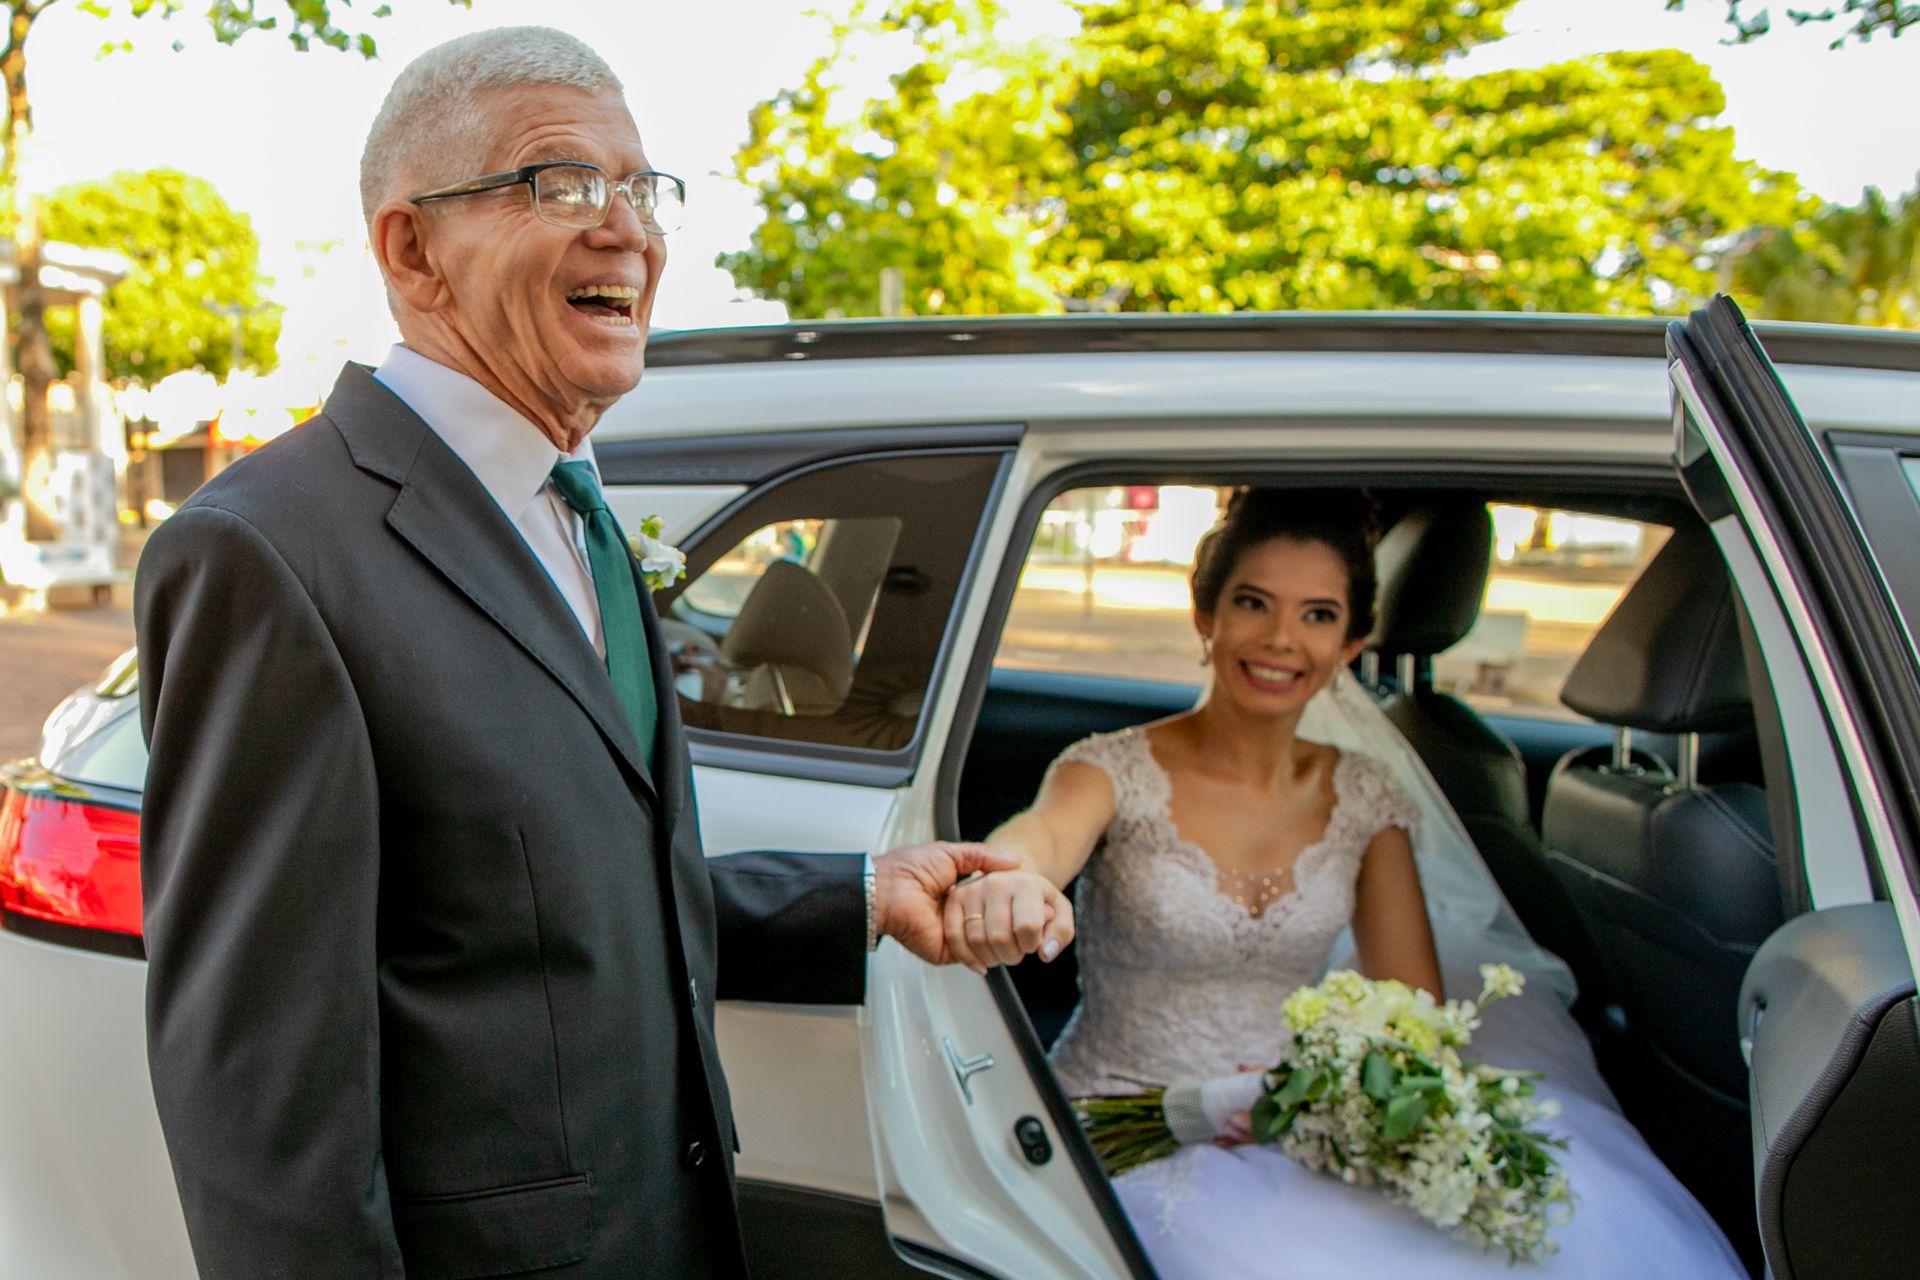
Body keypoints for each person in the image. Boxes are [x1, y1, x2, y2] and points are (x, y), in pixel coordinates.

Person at [133, 27, 1070, 1280]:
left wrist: (856, 897)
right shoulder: (268, 552)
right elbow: (261, 1102)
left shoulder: (576, 511)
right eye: (562, 182)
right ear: (413, 252)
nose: (628, 228)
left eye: (642, 188)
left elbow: (566, 900)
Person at [944, 489, 1746, 1278]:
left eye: (1318, 615)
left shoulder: (1366, 798)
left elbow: (1412, 1014)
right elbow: (1043, 836)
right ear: (1206, 616)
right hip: (1117, 1121)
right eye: (1253, 603)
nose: (1281, 639)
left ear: (1353, 641)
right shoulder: (1107, 768)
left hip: (1290, 1126)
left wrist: (1330, 1103)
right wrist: (1010, 879)